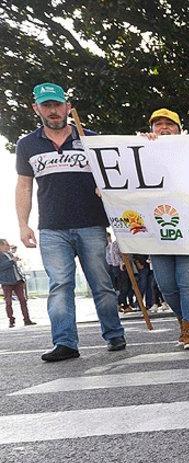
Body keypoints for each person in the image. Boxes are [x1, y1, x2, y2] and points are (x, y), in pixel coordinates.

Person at [15, 82, 125, 361]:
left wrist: (106, 192)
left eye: (57, 105)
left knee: (101, 283)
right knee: (60, 284)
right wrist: (23, 224)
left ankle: (114, 334)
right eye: (46, 105)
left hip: (91, 223)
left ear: (67, 107)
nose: (53, 111)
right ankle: (65, 342)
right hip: (52, 227)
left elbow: (112, 179)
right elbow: (24, 186)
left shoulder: (91, 139)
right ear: (36, 108)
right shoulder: (27, 145)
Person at [142, 108, 189, 348]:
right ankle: (184, 321)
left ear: (180, 129)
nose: (163, 128)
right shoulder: (141, 152)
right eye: (157, 124)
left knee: (187, 281)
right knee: (166, 284)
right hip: (158, 231)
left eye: (169, 124)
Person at [0, 239, 35, 328]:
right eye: (6, 244)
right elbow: (1, 267)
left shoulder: (10, 254)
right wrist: (12, 261)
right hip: (7, 282)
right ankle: (11, 320)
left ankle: (27, 319)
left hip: (17, 280)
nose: (8, 246)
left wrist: (21, 278)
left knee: (23, 300)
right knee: (8, 302)